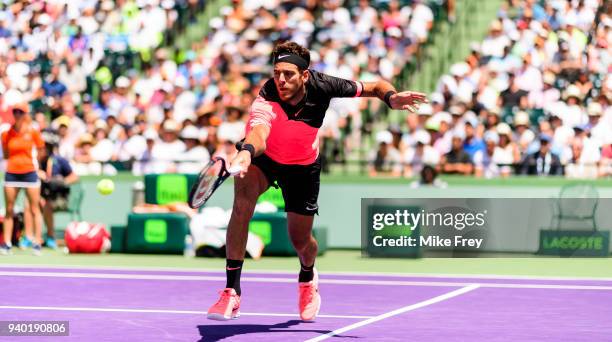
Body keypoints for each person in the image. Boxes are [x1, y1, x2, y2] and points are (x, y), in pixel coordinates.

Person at [206, 41, 427, 321]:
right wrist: (247, 152)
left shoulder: (325, 86)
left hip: (302, 166)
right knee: (241, 206)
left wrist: (392, 97)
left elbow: (375, 85)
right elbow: (259, 132)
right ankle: (231, 292)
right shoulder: (266, 96)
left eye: (288, 74)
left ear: (305, 75)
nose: (281, 80)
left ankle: (308, 278)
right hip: (264, 159)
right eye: (277, 73)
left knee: (300, 240)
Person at [1, 103, 45, 255]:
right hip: (12, 173)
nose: (17, 114)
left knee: (34, 208)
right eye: (15, 112)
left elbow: (41, 150)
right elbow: (6, 153)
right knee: (9, 209)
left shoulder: (33, 132)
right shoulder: (6, 134)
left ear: (26, 114)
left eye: (21, 112)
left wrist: (36, 166)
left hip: (29, 172)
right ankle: (6, 243)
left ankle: (37, 242)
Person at [23, 129, 79, 249]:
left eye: (46, 146)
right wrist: (38, 173)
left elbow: (74, 177)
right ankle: (28, 237)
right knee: (28, 203)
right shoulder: (35, 162)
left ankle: (50, 236)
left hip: (59, 198)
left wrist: (60, 182)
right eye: (42, 146)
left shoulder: (60, 160)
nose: (43, 149)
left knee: (46, 204)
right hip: (40, 197)